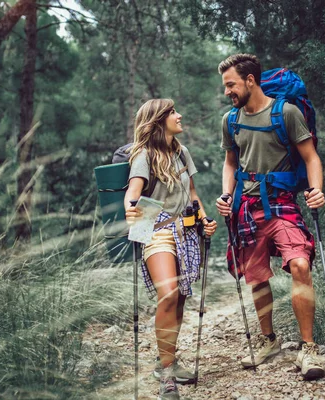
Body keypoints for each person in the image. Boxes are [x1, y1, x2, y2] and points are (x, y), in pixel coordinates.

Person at [215, 54, 325, 380]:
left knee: (300, 264)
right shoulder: (231, 120)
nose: (227, 92)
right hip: (247, 207)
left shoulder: (286, 113)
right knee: (257, 277)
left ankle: (308, 348)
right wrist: (226, 195)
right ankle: (269, 340)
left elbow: (311, 157)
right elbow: (231, 164)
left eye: (231, 84)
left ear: (250, 80)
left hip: (281, 204)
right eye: (225, 86)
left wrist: (316, 189)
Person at [125, 98, 217, 400]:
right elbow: (133, 194)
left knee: (179, 299)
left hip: (186, 229)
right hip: (156, 229)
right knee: (169, 293)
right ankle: (166, 375)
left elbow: (192, 194)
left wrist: (205, 219)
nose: (179, 115)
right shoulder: (145, 155)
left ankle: (167, 360)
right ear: (159, 120)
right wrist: (130, 210)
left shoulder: (181, 152)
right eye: (173, 112)